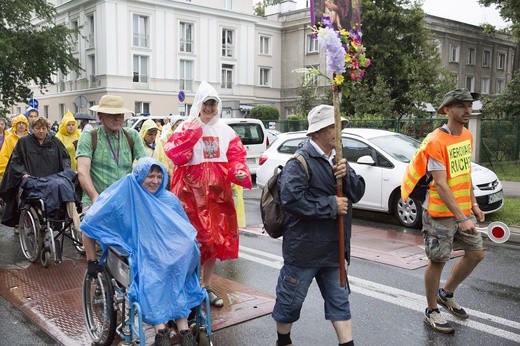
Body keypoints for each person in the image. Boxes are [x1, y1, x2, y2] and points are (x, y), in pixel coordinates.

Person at [81, 157, 203, 346]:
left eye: (159, 176)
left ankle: (172, 330)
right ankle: (173, 329)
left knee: (173, 270)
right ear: (139, 176)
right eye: (150, 176)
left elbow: (183, 229)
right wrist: (91, 260)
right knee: (160, 273)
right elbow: (89, 224)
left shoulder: (169, 199)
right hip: (148, 253)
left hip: (169, 255)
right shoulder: (125, 197)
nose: (155, 181)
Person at [272, 104, 365, 346]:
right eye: (332, 126)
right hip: (304, 251)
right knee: (289, 302)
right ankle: (283, 341)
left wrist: (347, 176)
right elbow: (292, 200)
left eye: (339, 126)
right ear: (316, 132)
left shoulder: (339, 159)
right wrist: (331, 206)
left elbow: (356, 193)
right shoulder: (299, 162)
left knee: (340, 302)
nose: (338, 131)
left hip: (334, 251)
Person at [401, 88, 485, 334]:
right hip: (439, 212)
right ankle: (431, 310)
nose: (467, 110)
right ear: (447, 110)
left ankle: (445, 293)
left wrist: (474, 205)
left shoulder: (467, 136)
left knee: (477, 253)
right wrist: (462, 217)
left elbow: (464, 173)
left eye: (469, 105)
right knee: (438, 260)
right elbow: (440, 182)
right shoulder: (435, 141)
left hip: (462, 210)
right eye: (461, 105)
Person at [165, 81, 252, 308]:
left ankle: (206, 286)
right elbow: (175, 154)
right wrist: (192, 132)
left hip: (216, 195)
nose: (210, 108)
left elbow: (236, 158)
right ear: (199, 104)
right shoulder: (187, 126)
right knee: (190, 241)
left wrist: (239, 172)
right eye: (206, 103)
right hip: (189, 195)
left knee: (213, 240)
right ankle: (189, 285)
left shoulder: (226, 131)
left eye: (213, 103)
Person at [76, 94, 146, 257]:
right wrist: (95, 197)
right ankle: (92, 264)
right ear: (100, 117)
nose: (117, 119)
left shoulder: (132, 136)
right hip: (98, 197)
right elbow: (82, 172)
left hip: (124, 199)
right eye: (111, 115)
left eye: (120, 115)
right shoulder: (90, 137)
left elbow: (144, 165)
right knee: (90, 223)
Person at [0, 116, 71, 227]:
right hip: (32, 181)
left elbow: (65, 158)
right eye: (37, 128)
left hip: (51, 181)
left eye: (43, 128)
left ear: (48, 129)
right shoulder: (23, 142)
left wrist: (65, 172)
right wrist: (23, 173)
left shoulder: (55, 142)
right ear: (32, 128)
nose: (41, 131)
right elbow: (15, 160)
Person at [0, 114, 29, 182]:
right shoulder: (9, 139)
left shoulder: (31, 138)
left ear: (26, 125)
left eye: (23, 123)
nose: (21, 125)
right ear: (15, 124)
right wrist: (5, 172)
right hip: (12, 172)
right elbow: (4, 156)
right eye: (19, 123)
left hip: (28, 172)